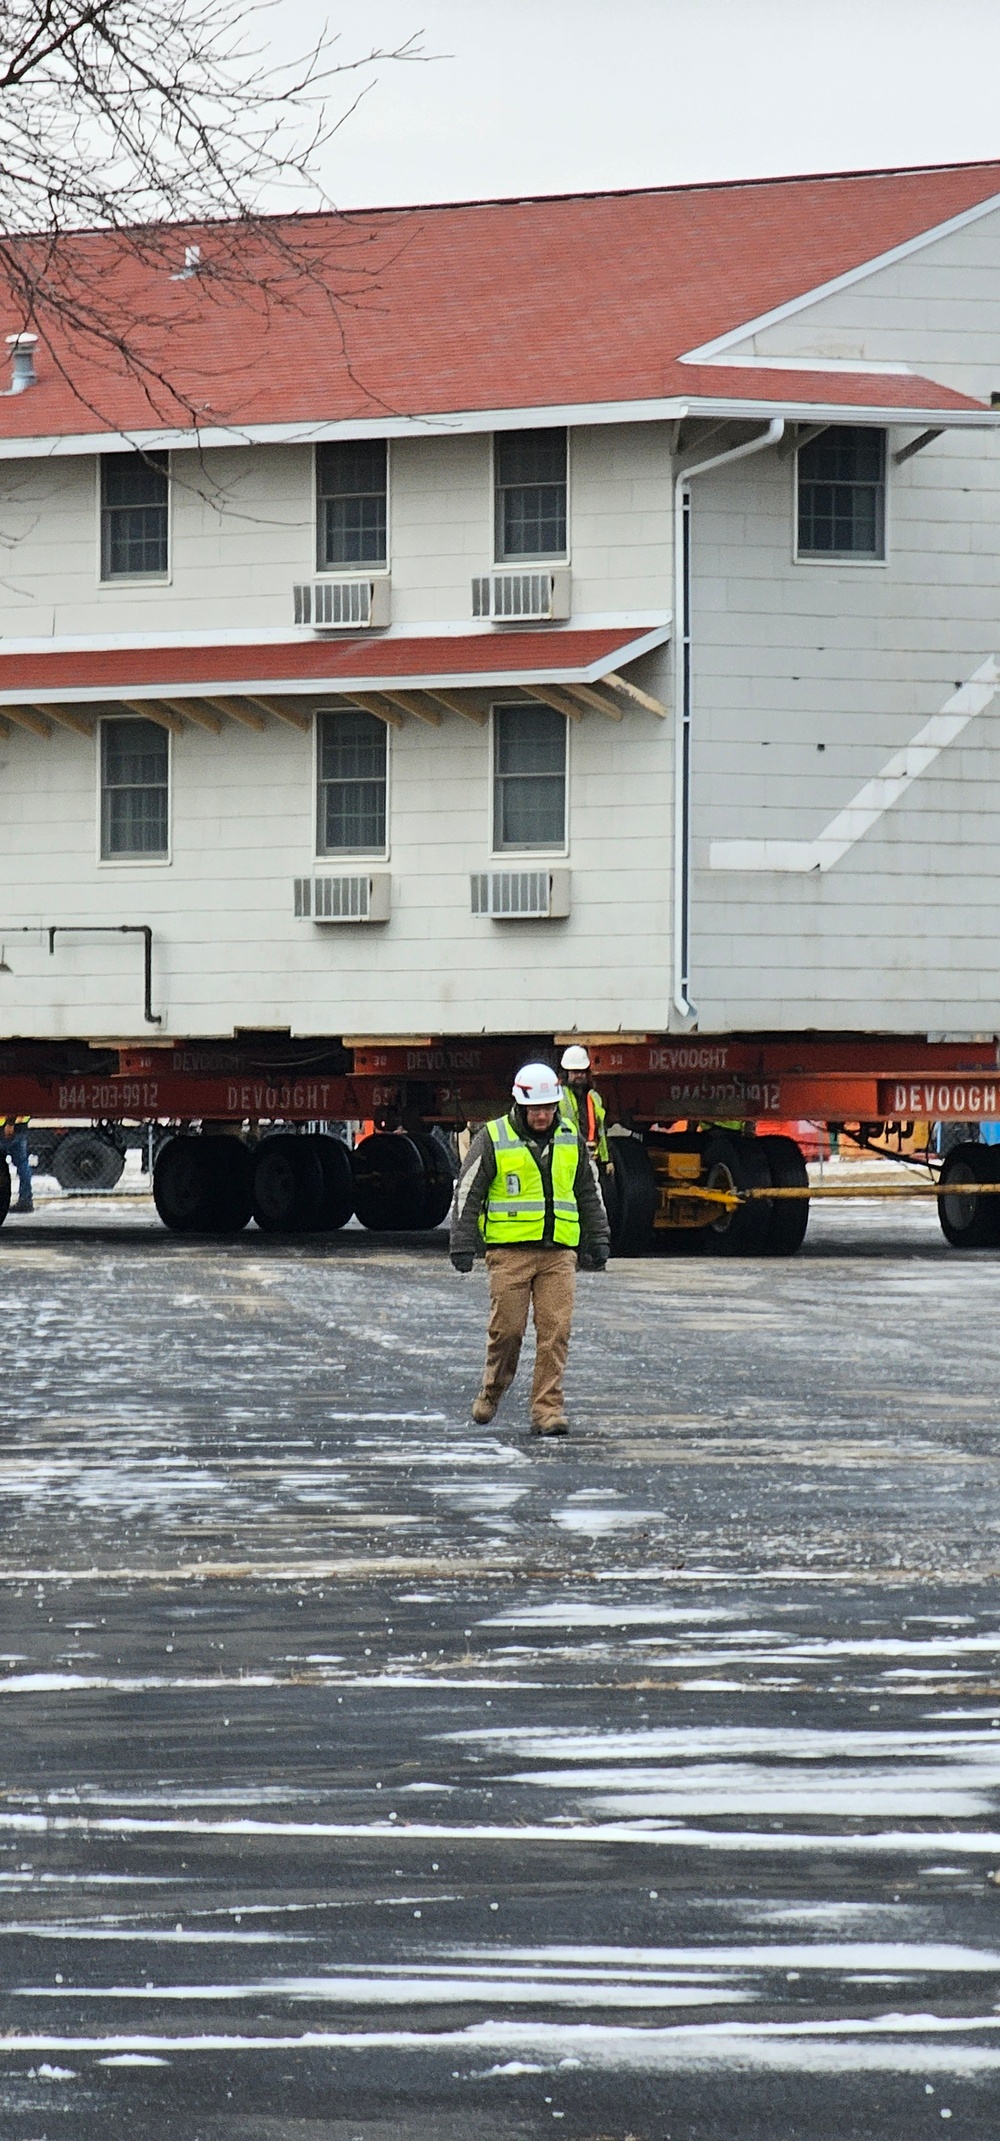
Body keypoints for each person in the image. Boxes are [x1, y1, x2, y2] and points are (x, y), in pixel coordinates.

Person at [449, 1061, 610, 1436]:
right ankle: (492, 1391)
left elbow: (589, 1192)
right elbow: (468, 1190)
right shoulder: (493, 1137)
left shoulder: (570, 1137)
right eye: (535, 1108)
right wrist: (462, 1241)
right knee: (507, 1333)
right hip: (509, 1255)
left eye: (547, 1107)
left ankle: (547, 1411)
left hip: (559, 1254)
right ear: (520, 1106)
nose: (542, 1115)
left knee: (556, 1332)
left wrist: (598, 1238)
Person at [559, 1044, 610, 1171]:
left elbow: (602, 1131)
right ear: (566, 1073)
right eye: (575, 1072)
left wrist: (607, 1160)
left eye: (582, 1072)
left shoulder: (594, 1097)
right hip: (567, 1160)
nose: (579, 1075)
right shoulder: (558, 1096)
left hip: (591, 1159)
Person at [0, 1115, 33, 1212]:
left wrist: (10, 1124)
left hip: (5, 1128)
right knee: (22, 1164)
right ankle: (26, 1201)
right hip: (20, 1127)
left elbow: (10, 1104)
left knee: (22, 1165)